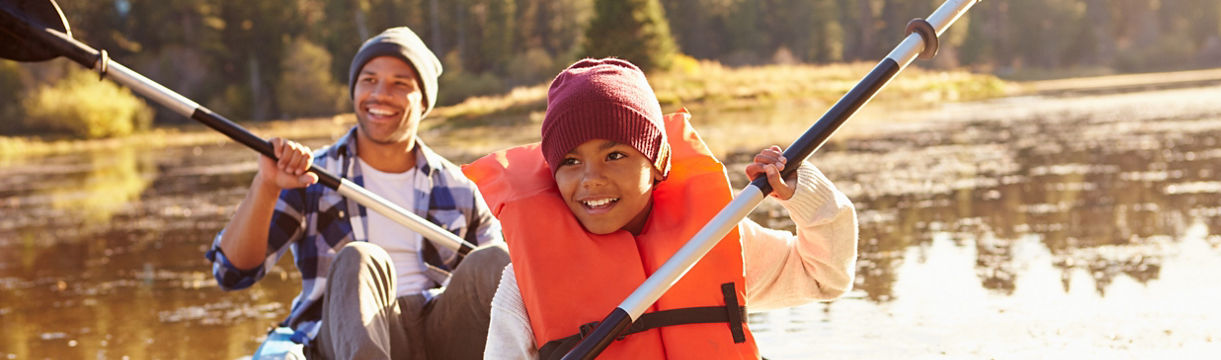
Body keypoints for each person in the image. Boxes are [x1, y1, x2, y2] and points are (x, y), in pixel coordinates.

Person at [463, 58, 858, 359]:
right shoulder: (527, 281)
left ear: (658, 163)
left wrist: (802, 194)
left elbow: (825, 275)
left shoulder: (713, 238)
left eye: (615, 154)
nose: (591, 178)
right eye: (570, 161)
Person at [205, 27, 509, 360]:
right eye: (369, 80)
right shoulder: (311, 175)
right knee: (361, 258)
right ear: (353, 91)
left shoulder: (460, 187)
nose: (380, 94)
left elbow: (498, 283)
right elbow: (232, 274)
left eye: (400, 83)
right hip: (345, 336)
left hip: (438, 330)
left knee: (495, 259)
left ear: (423, 103)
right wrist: (267, 186)